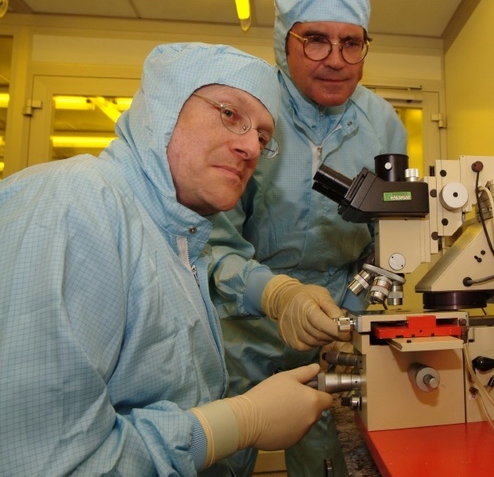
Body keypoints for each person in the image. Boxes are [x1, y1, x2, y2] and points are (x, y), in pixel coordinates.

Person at [0, 42, 332, 476]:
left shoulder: (175, 231)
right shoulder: (75, 201)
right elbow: (46, 461)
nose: (251, 146)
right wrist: (235, 424)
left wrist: (278, 292)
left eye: (263, 136)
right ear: (164, 105)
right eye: (230, 114)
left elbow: (212, 267)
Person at [209, 0, 408, 476]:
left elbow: (395, 235)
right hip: (246, 323)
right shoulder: (249, 110)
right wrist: (277, 295)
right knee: (221, 453)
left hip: (339, 321)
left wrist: (355, 310)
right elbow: (211, 243)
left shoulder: (383, 123)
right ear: (284, 41)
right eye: (315, 40)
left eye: (351, 43)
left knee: (332, 458)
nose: (336, 60)